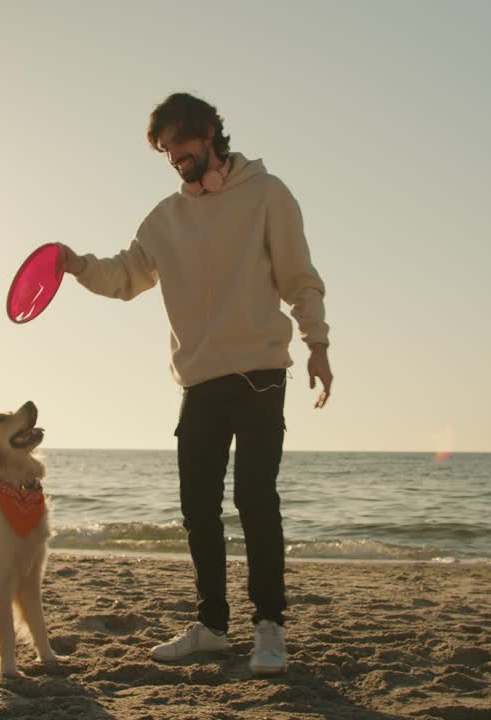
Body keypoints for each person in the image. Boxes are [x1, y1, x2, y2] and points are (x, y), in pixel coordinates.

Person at [57, 92, 332, 676]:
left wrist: (318, 346)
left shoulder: (267, 194)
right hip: (200, 382)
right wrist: (76, 263)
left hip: (260, 374)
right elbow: (126, 275)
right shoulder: (165, 219)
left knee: (256, 501)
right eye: (165, 150)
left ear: (209, 133)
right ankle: (211, 627)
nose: (174, 157)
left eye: (180, 144)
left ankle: (270, 629)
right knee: (197, 508)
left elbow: (299, 278)